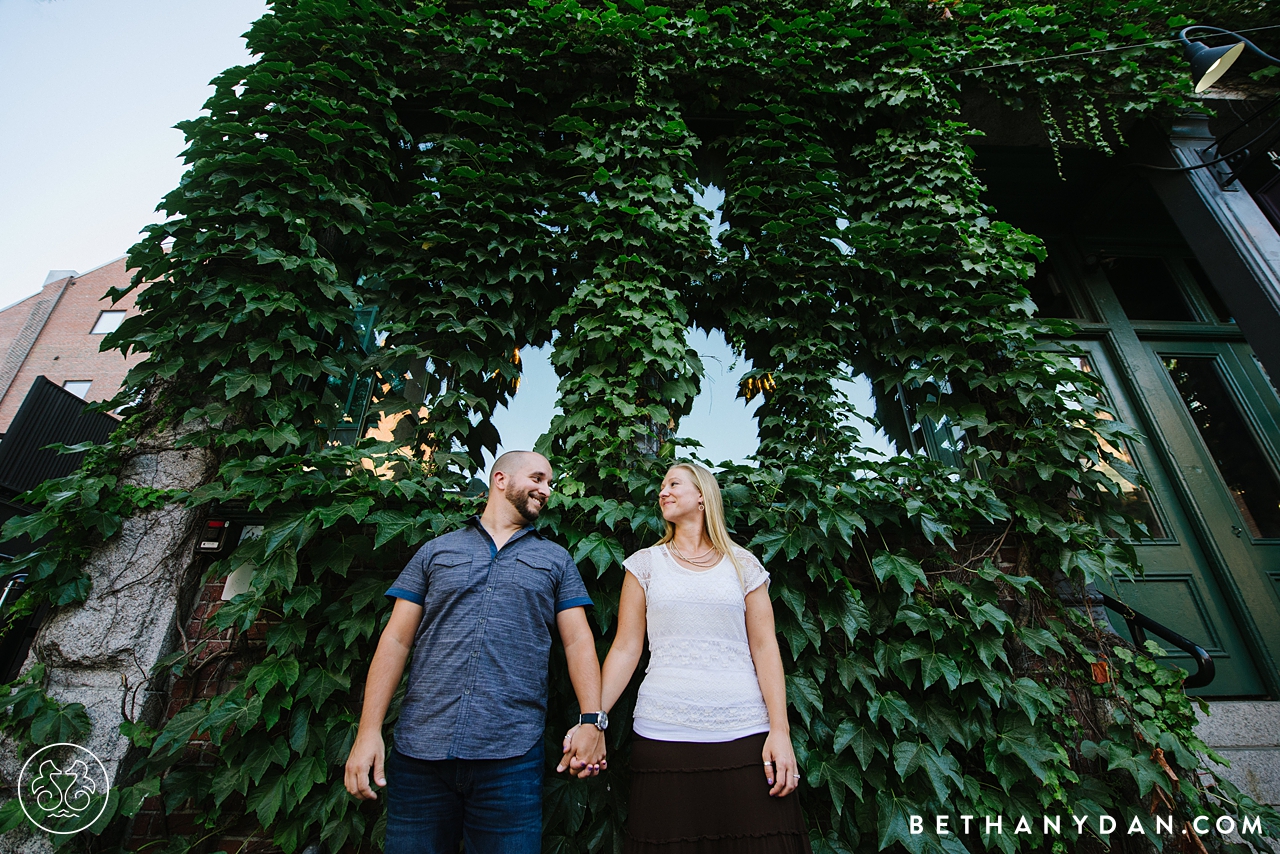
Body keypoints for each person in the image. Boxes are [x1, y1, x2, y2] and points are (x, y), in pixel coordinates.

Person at [345, 450, 608, 854]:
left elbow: (578, 641)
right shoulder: (437, 551)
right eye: (538, 478)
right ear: (501, 479)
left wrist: (592, 720)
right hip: (421, 754)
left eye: (550, 483)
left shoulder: (556, 559)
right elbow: (395, 641)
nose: (546, 490)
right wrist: (367, 734)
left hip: (511, 757)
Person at [564, 461, 810, 854]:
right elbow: (627, 648)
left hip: (745, 733)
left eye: (673, 483)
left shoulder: (743, 565)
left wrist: (779, 731)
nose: (663, 491)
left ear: (702, 497)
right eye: (661, 486)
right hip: (664, 733)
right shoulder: (644, 564)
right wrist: (592, 721)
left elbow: (765, 648)